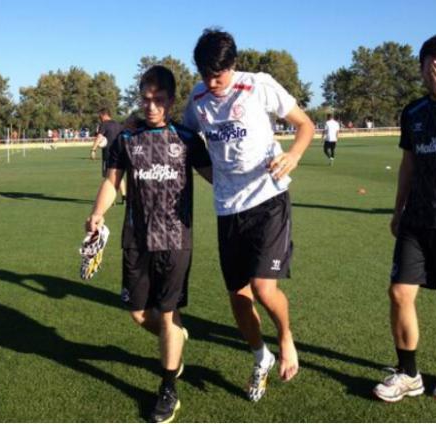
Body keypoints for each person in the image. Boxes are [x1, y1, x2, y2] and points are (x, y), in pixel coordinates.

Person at [183, 28, 314, 401]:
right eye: (206, 75)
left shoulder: (259, 85)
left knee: (263, 287)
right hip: (228, 207)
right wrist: (211, 175)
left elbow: (304, 125)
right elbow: (188, 138)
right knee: (238, 295)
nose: (213, 82)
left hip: (268, 199)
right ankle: (261, 356)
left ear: (233, 66)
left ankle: (285, 338)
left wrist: (293, 155)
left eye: (218, 75)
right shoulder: (197, 97)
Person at [85, 66, 212, 423]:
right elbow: (113, 182)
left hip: (176, 239)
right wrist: (97, 214)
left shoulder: (186, 138)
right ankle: (175, 337)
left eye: (159, 100)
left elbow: (215, 176)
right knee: (139, 313)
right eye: (147, 99)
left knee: (168, 314)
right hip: (136, 240)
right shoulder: (126, 138)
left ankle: (168, 387)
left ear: (171, 101)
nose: (152, 106)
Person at [374, 34, 436, 403]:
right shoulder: (412, 112)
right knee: (399, 293)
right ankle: (408, 372)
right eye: (430, 70)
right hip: (417, 218)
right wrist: (398, 210)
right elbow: (408, 164)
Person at [91, 108, 127, 203]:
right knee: (119, 175)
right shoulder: (118, 125)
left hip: (109, 154)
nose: (99, 118)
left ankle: (111, 199)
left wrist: (93, 149)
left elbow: (99, 137)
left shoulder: (104, 124)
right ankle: (124, 196)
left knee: (108, 177)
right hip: (120, 153)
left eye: (100, 116)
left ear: (103, 115)